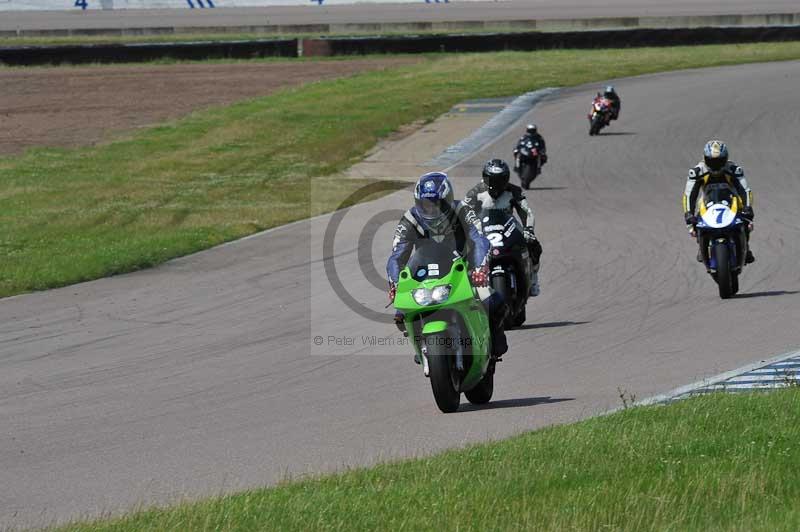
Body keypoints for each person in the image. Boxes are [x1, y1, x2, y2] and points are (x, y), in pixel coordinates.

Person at [387, 172, 509, 360]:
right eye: (425, 204)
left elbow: (479, 239)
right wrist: (395, 284)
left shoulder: (463, 209)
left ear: (448, 199)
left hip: (463, 269)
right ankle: (422, 348)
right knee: (401, 313)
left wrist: (479, 269)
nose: (431, 210)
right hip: (425, 275)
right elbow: (396, 257)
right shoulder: (410, 219)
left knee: (492, 301)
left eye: (437, 204)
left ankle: (493, 341)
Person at [463, 159, 542, 297]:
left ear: (506, 179)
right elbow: (464, 208)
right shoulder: (475, 192)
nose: (496, 184)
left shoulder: (514, 191)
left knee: (533, 244)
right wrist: (473, 224)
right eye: (492, 180)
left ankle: (534, 278)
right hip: (483, 229)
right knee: (464, 249)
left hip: (509, 227)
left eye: (500, 180)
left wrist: (528, 229)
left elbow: (526, 212)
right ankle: (468, 283)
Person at [683, 140, 755, 263]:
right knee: (694, 222)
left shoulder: (733, 169)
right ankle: (701, 244)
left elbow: (745, 190)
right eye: (712, 161)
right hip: (708, 201)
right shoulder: (697, 171)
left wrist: (747, 208)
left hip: (731, 200)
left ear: (725, 159)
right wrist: (688, 213)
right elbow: (689, 195)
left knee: (745, 218)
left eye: (719, 161)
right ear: (705, 159)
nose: (715, 165)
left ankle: (746, 247)